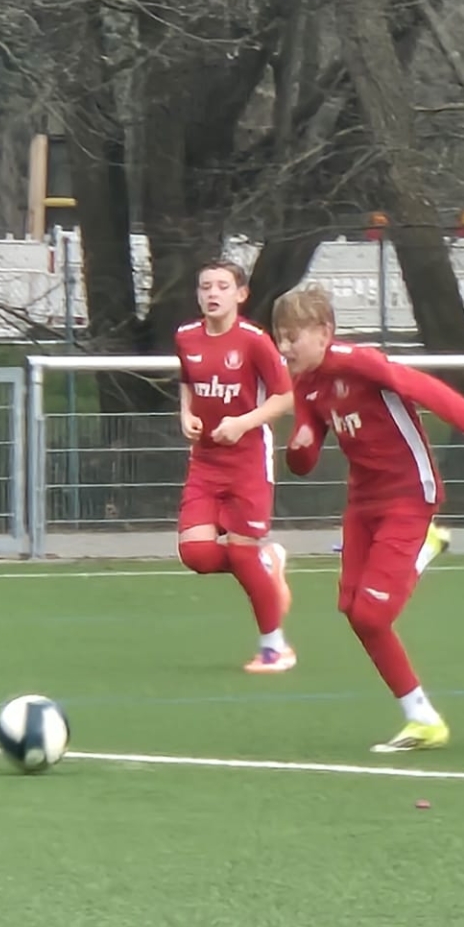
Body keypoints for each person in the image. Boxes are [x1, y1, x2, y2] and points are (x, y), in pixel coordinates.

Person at [273, 285, 464, 751]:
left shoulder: (360, 363)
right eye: (280, 336)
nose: (283, 347)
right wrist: (299, 447)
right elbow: (306, 457)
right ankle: (422, 718)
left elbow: (429, 391)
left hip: (408, 495)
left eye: (292, 336)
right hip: (363, 502)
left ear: (323, 333)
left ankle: (423, 546)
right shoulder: (308, 384)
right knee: (355, 613)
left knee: (373, 612)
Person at [174, 259, 297, 672]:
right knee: (195, 553)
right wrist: (185, 416)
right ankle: (267, 563)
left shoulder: (254, 341)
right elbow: (188, 384)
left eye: (222, 286)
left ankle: (275, 647)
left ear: (240, 295)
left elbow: (284, 397)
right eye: (205, 286)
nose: (212, 293)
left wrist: (242, 423)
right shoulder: (186, 337)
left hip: (247, 464)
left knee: (242, 556)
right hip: (205, 463)